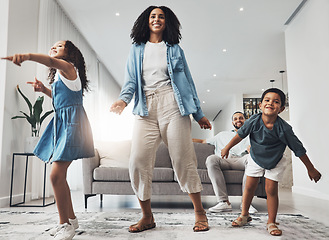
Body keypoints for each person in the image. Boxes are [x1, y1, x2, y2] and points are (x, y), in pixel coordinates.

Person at [110, 6, 212, 233]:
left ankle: (199, 213)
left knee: (183, 159)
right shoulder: (136, 49)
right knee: (137, 161)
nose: (157, 19)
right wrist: (122, 101)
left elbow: (188, 83)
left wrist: (198, 113)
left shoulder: (175, 49)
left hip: (172, 105)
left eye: (161, 17)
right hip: (145, 108)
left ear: (167, 22)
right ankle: (147, 217)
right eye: (153, 16)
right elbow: (130, 82)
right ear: (146, 21)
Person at [2, 40, 94, 240]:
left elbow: (50, 62)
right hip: (63, 123)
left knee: (55, 176)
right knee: (60, 176)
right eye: (53, 45)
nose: (54, 47)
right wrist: (44, 90)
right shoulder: (62, 76)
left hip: (72, 126)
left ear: (70, 53)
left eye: (60, 45)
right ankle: (71, 220)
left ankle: (65, 226)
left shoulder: (69, 67)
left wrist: (27, 56)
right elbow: (63, 99)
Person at [221, 88, 321, 236]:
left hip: (276, 161)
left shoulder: (284, 128)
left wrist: (310, 168)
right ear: (260, 105)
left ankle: (271, 222)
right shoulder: (253, 121)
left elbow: (298, 149)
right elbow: (240, 135)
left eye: (276, 101)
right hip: (255, 158)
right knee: (249, 187)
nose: (270, 103)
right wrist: (227, 147)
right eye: (267, 100)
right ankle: (244, 215)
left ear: (281, 109)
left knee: (271, 190)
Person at [193, 111, 258, 213]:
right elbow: (202, 141)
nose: (238, 120)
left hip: (241, 159)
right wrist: (185, 139)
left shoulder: (251, 136)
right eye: (235, 119)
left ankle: (246, 203)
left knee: (252, 159)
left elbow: (258, 147)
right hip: (224, 160)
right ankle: (223, 202)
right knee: (211, 159)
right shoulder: (222, 135)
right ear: (232, 122)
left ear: (245, 120)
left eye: (241, 118)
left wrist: (253, 149)